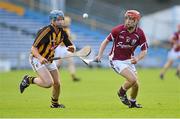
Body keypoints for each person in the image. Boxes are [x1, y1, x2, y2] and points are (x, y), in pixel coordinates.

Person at [19, 10, 75, 108]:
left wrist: (72, 48)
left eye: (62, 19)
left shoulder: (63, 33)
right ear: (52, 21)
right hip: (36, 58)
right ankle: (28, 80)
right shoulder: (46, 31)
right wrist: (40, 57)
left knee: (57, 83)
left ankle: (54, 104)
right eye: (58, 20)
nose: (61, 21)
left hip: (49, 59)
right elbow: (33, 48)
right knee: (48, 83)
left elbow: (70, 45)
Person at [95, 10, 148, 108]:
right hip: (116, 60)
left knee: (136, 85)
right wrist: (99, 55)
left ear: (137, 21)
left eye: (131, 19)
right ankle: (121, 93)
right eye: (127, 18)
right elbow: (105, 42)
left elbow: (144, 50)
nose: (128, 21)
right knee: (132, 79)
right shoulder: (118, 30)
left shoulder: (140, 33)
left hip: (129, 60)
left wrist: (137, 58)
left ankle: (132, 103)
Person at [55, 16, 80, 82]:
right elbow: (64, 39)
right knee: (58, 65)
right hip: (61, 48)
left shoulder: (67, 29)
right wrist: (71, 37)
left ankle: (73, 76)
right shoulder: (62, 29)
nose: (68, 23)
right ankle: (55, 77)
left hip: (66, 48)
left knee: (70, 62)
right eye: (67, 21)